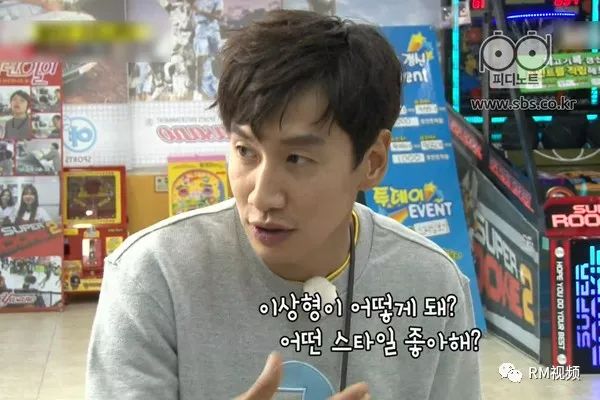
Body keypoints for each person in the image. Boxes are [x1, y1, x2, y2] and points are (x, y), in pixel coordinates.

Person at [86, 10, 481, 400]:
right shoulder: (153, 276)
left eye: (297, 159)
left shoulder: (432, 285)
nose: (261, 197)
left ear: (372, 162)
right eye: (245, 151)